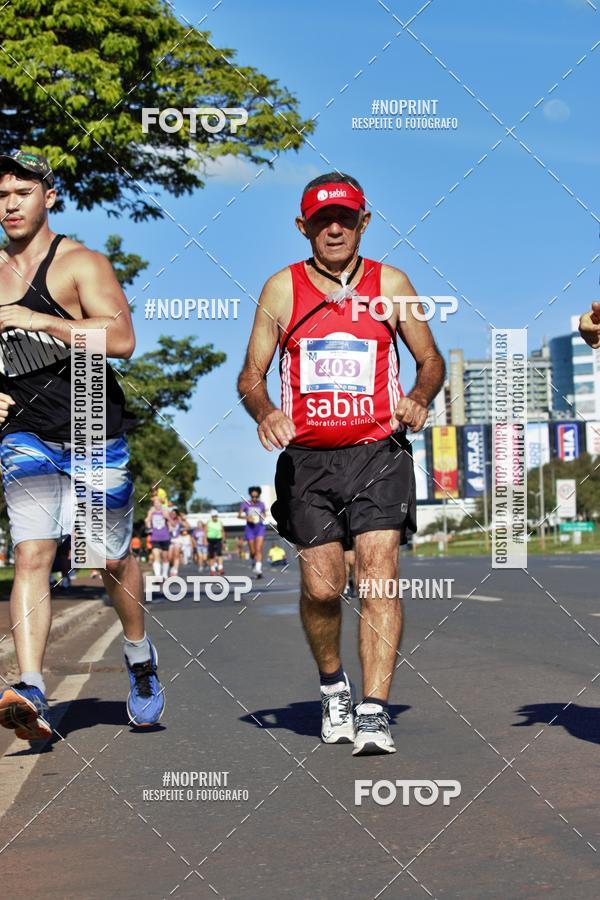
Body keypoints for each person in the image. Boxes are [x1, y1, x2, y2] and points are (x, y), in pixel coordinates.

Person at [238, 172, 444, 755]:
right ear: (303, 226)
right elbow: (250, 376)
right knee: (324, 586)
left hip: (378, 451)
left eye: (347, 218)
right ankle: (334, 688)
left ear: (364, 222)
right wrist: (265, 411)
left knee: (378, 571)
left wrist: (420, 398)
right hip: (308, 461)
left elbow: (429, 360)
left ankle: (375, 710)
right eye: (323, 220)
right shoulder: (282, 289)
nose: (335, 229)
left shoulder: (390, 283)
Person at [0, 150, 164, 738]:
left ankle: (140, 658)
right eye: (1, 195)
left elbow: (121, 340)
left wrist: (39, 319)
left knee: (111, 559)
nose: (10, 204)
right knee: (31, 555)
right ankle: (32, 687)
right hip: (24, 435)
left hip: (93, 426)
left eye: (22, 191)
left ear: (49, 197)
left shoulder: (79, 264)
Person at [239, 486, 267, 579]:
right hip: (249, 528)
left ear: (258, 495)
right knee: (252, 551)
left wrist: (262, 516)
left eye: (256, 496)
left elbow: (264, 515)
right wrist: (247, 518)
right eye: (253, 496)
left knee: (258, 549)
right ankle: (253, 561)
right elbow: (239, 515)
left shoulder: (261, 504)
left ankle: (258, 570)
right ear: (250, 495)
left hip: (259, 528)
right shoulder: (245, 504)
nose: (254, 497)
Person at [145, 496, 171, 584]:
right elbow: (147, 521)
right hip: (155, 537)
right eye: (155, 503)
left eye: (158, 503)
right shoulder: (151, 511)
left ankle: (164, 575)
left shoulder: (165, 511)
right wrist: (149, 523)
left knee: (165, 557)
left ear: (161, 503)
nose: (157, 505)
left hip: (165, 537)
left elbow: (171, 523)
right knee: (156, 556)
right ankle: (157, 576)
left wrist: (167, 516)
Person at [206, 509, 225, 575]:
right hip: (210, 540)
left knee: (219, 553)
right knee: (211, 554)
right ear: (211, 516)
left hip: (218, 539)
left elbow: (222, 531)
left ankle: (220, 567)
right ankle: (212, 569)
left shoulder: (220, 522)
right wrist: (205, 540)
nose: (215, 517)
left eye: (216, 516)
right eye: (213, 516)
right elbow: (205, 531)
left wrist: (223, 540)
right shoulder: (209, 522)